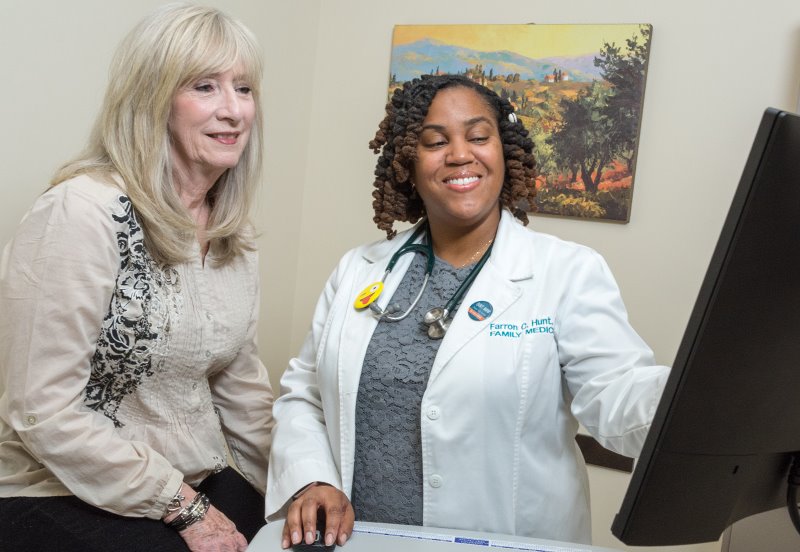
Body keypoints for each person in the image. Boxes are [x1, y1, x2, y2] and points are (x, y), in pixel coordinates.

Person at [266, 73, 670, 548]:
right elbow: (305, 394)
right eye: (435, 142)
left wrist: (698, 390)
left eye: (478, 137)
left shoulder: (567, 272)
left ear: (504, 151)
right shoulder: (359, 269)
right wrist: (312, 478)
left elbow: (617, 396)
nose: (460, 154)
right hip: (364, 539)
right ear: (408, 163)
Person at [0, 4, 274, 551]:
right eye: (205, 87)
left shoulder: (231, 232)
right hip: (56, 489)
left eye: (243, 89)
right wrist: (182, 506)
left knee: (309, 537)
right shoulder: (82, 212)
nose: (233, 110)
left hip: (188, 476)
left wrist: (309, 483)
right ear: (153, 99)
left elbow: (241, 390)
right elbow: (42, 411)